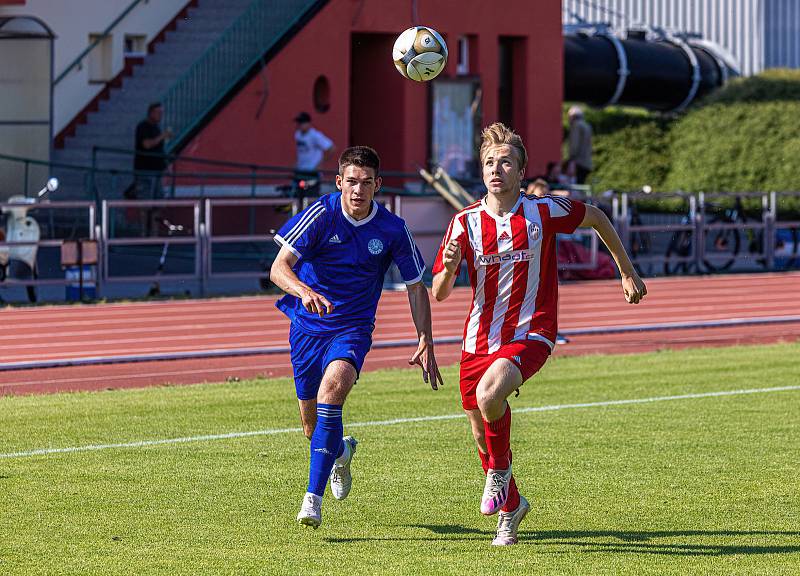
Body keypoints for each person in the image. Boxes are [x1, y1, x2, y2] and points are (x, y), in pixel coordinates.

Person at [431, 123, 646, 546]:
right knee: (479, 427)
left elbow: (598, 216)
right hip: (478, 338)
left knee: (490, 396)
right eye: (490, 162)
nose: (497, 169)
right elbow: (438, 293)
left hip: (533, 329)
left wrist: (626, 270)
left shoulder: (543, 211)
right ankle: (511, 508)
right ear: (482, 170)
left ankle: (498, 473)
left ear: (521, 170)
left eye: (506, 162)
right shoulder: (463, 223)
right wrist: (451, 267)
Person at [270, 145, 443, 529]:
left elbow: (416, 286)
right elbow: (278, 269)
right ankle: (341, 453)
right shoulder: (321, 213)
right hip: (306, 327)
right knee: (311, 427)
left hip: (353, 327)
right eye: (351, 182)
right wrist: (303, 291)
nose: (357, 190)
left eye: (366, 183)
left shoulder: (393, 229)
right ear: (339, 182)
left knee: (334, 388)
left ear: (378, 185)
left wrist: (425, 338)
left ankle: (311, 501)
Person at [293, 111, 336, 202]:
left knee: (310, 199)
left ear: (308, 123)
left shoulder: (315, 135)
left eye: (302, 122)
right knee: (298, 198)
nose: (300, 125)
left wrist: (319, 164)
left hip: (312, 173)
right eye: (299, 122)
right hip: (300, 172)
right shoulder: (297, 135)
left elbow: (331, 148)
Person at [132, 102, 172, 198]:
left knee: (158, 201)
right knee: (145, 201)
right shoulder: (142, 126)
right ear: (151, 113)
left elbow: (159, 149)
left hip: (157, 171)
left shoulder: (156, 129)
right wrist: (162, 136)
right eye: (158, 112)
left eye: (161, 113)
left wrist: (165, 166)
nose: (160, 115)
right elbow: (146, 144)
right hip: (145, 171)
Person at [566, 106, 593, 184]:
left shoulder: (576, 125)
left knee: (575, 186)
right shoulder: (587, 126)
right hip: (587, 163)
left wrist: (571, 160)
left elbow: (574, 144)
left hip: (578, 162)